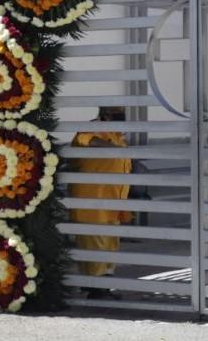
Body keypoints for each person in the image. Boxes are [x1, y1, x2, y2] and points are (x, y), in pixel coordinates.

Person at [69, 106, 132, 299]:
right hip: (93, 202)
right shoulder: (91, 129)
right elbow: (87, 141)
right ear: (104, 115)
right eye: (116, 116)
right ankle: (96, 288)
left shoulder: (116, 134)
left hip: (113, 203)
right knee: (94, 244)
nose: (121, 120)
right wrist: (112, 149)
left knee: (110, 244)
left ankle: (103, 284)